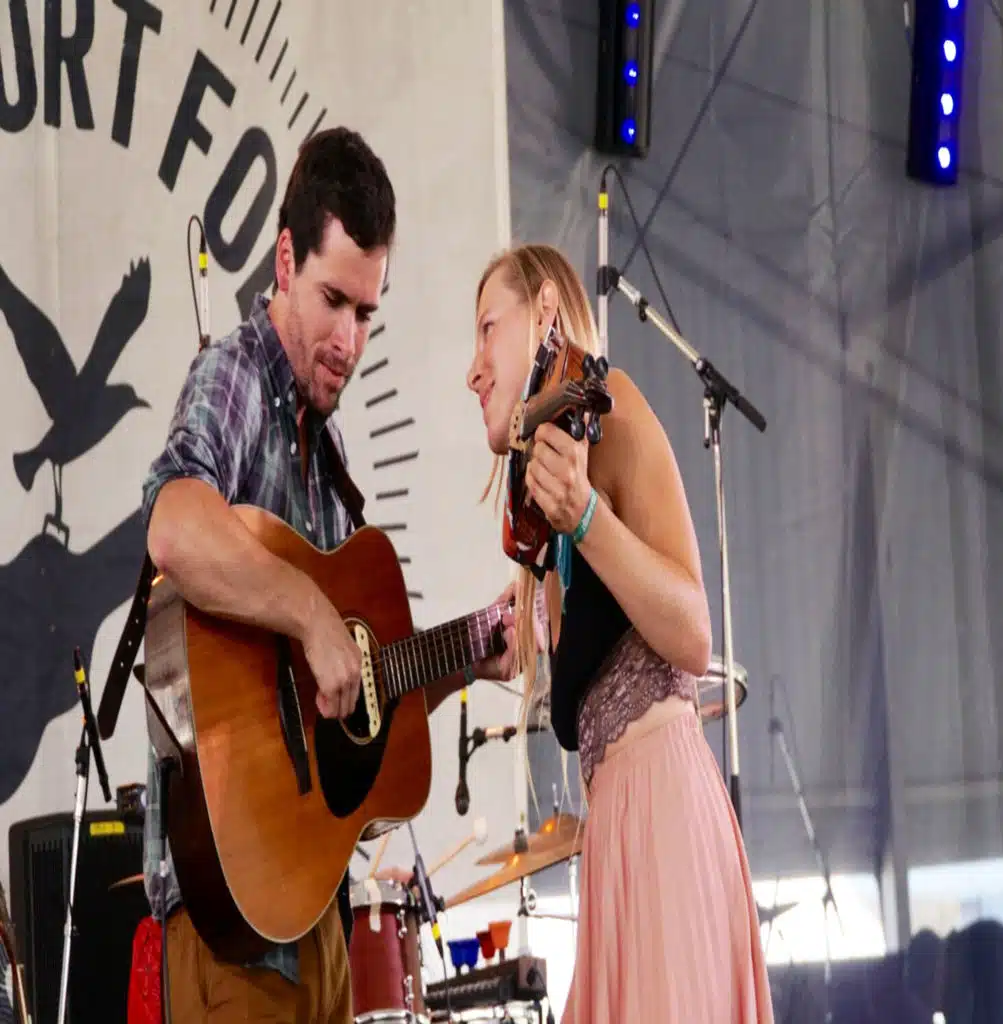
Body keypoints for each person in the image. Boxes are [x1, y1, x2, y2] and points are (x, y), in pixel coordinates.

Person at [140, 127, 516, 1023]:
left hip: (313, 908)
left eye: (368, 313)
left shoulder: (332, 451)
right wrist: (311, 617)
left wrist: (470, 655)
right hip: (232, 919)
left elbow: (359, 696)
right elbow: (174, 526)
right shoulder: (234, 376)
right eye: (334, 300)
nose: (350, 339)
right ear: (282, 259)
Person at [465, 243, 775, 1023]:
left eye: (485, 330)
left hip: (663, 808)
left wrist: (589, 520)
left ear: (543, 313)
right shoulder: (549, 495)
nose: (472, 369)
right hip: (619, 828)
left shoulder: (617, 404)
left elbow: (694, 636)